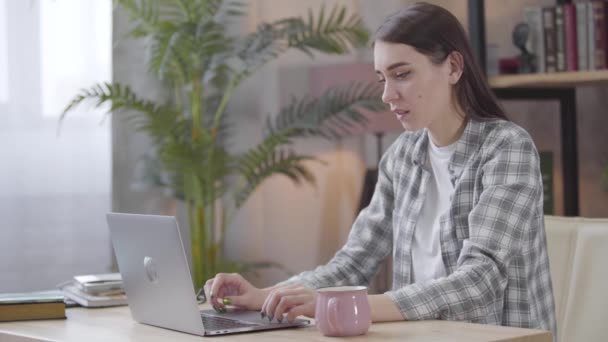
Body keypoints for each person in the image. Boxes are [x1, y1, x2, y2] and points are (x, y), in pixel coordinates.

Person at [204, 2, 557, 338]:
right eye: (381, 79)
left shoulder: (507, 149)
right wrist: (265, 296)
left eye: (401, 75)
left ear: (453, 67)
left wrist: (348, 305)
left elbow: (480, 281)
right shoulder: (401, 157)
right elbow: (352, 263)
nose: (387, 95)